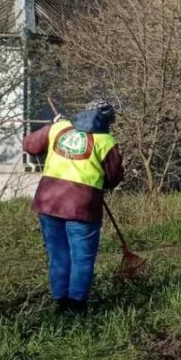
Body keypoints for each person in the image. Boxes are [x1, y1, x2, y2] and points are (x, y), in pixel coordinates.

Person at [22, 101, 124, 313]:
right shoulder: (105, 140)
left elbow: (30, 146)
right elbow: (114, 178)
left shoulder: (60, 128)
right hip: (82, 206)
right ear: (107, 119)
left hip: (49, 202)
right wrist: (100, 181)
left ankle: (60, 302)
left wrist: (52, 127)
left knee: (58, 254)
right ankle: (76, 305)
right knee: (82, 256)